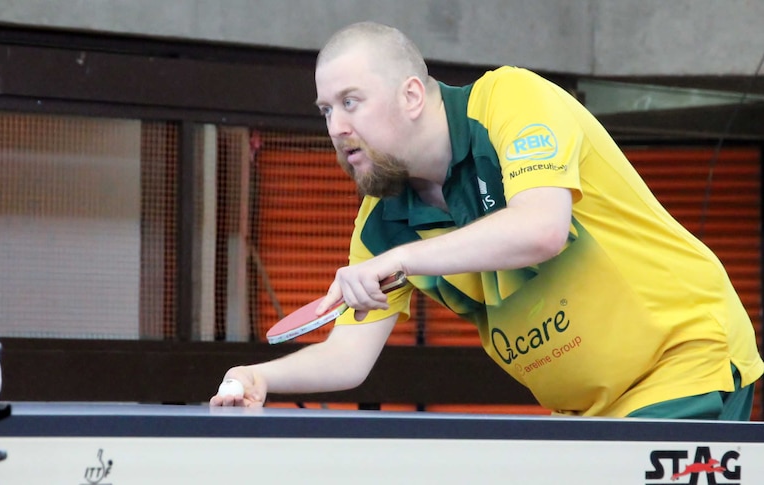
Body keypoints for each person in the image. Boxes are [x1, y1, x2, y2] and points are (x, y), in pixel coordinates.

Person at [210, 21, 764, 419]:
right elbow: (349, 358)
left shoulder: (510, 102)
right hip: (585, 415)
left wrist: (403, 260)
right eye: (327, 110)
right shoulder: (381, 223)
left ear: (410, 95)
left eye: (351, 101)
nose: (335, 127)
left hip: (682, 364)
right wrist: (262, 376)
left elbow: (541, 229)